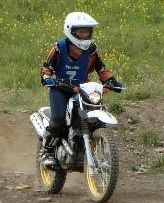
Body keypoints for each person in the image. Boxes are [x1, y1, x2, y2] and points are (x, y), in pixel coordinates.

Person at [39, 11, 123, 166]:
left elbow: (102, 70)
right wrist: (47, 79)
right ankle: (46, 151)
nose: (85, 35)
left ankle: (89, 146)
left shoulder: (91, 51)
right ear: (70, 31)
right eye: (81, 31)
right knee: (58, 119)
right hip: (61, 89)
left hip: (83, 89)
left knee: (95, 116)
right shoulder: (59, 48)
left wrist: (112, 82)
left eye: (87, 31)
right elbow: (47, 68)